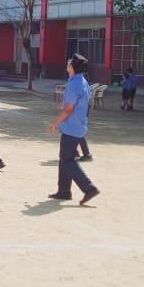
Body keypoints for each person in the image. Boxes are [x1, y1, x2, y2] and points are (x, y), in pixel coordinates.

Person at [47, 54, 101, 205]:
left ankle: (89, 188)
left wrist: (54, 123)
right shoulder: (81, 81)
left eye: (69, 63)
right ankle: (64, 191)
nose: (67, 64)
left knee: (67, 160)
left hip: (72, 127)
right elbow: (74, 104)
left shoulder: (74, 84)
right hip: (77, 125)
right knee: (65, 159)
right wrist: (64, 107)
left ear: (72, 67)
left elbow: (68, 109)